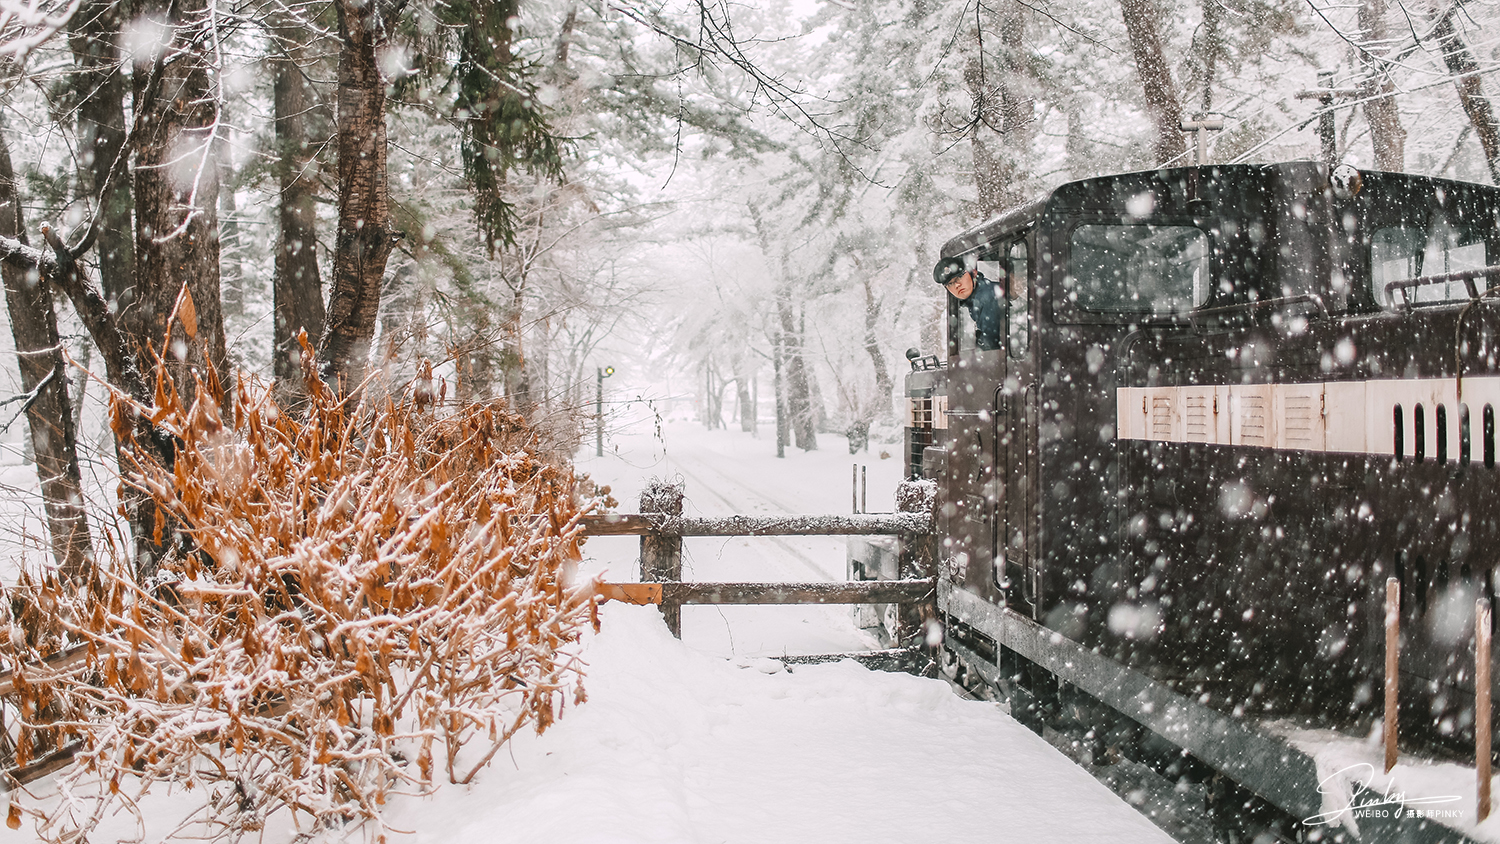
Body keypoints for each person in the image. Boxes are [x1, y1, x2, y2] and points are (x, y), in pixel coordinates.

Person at [933, 257, 1005, 351]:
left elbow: (993, 349)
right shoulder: (975, 299)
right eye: (950, 284)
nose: (957, 285)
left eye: (960, 277)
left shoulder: (987, 297)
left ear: (974, 273)